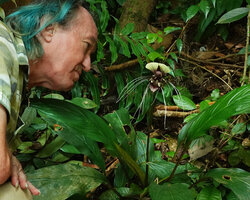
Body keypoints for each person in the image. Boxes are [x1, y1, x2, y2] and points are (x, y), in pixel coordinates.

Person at [0, 0, 98, 197]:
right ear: (49, 30)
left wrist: (8, 156)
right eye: (86, 46)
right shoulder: (3, 48)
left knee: (17, 192)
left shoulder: (17, 73)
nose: (88, 65)